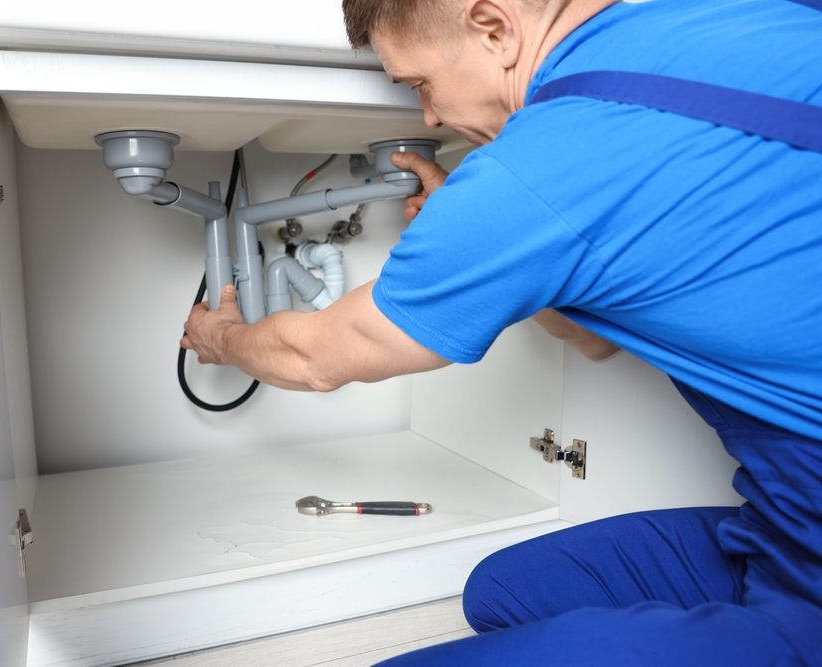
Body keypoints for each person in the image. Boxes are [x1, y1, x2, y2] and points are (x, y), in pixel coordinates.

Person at [182, 0, 822, 663]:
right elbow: (594, 336)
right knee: (504, 591)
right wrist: (504, 246)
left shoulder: (542, 160)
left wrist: (220, 337)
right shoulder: (727, 15)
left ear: (494, 28)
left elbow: (318, 356)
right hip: (786, 526)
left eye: (419, 83)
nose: (428, 115)